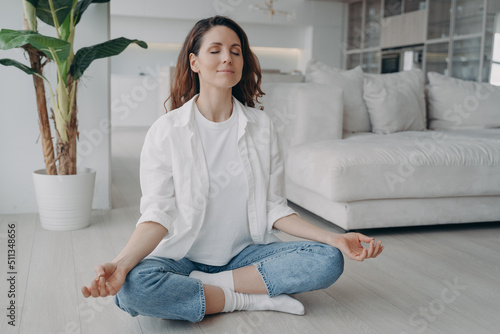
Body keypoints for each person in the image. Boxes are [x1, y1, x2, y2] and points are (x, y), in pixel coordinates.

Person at [81, 15, 383, 323]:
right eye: (215, 50)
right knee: (131, 289)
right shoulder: (166, 130)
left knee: (328, 259)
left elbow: (274, 208)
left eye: (236, 51)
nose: (227, 57)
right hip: (182, 258)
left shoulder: (261, 127)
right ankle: (250, 299)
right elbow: (158, 214)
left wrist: (333, 237)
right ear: (194, 62)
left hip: (246, 257)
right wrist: (121, 264)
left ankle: (211, 291)